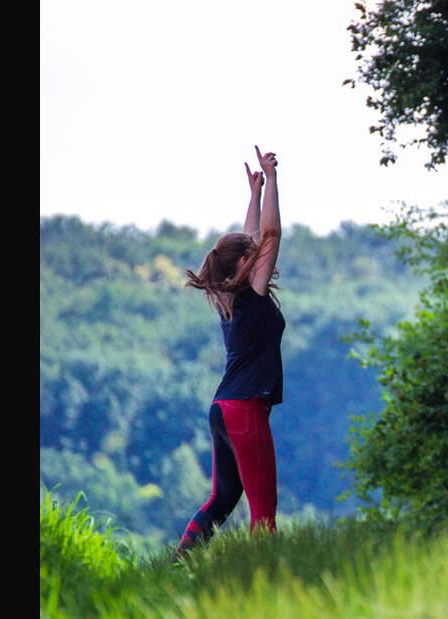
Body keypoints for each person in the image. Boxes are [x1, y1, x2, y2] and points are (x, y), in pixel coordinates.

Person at [173, 146, 284, 561]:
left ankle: (178, 564)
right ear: (244, 262)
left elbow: (253, 239)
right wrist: (272, 180)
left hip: (222, 407)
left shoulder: (227, 294)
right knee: (263, 510)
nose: (260, 255)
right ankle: (264, 580)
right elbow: (269, 237)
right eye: (251, 254)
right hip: (244, 409)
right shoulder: (249, 294)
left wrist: (253, 194)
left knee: (223, 498)